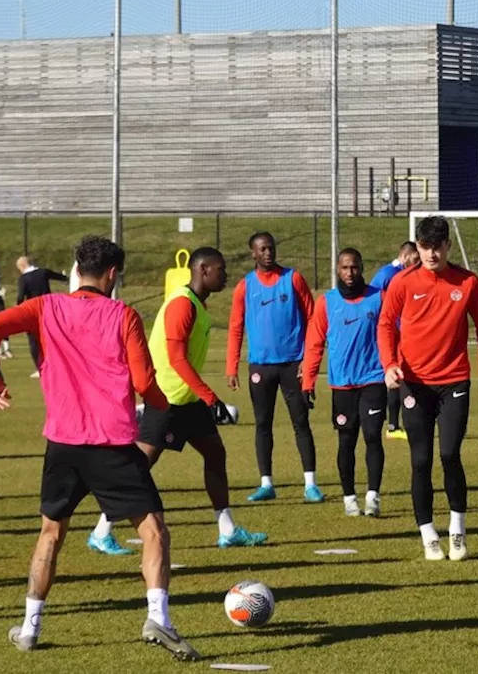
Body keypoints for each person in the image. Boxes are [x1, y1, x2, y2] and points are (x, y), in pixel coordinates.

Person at [0, 236, 200, 659]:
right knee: (153, 530)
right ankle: (159, 618)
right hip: (111, 442)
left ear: (78, 267)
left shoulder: (46, 306)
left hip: (62, 442)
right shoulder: (123, 315)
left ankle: (29, 627)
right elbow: (142, 381)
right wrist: (159, 403)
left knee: (51, 533)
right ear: (113, 274)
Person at [87, 247, 267, 555]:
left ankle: (227, 530)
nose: (225, 275)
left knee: (214, 452)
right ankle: (101, 531)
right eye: (220, 269)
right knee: (140, 465)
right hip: (167, 398)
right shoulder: (182, 305)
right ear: (203, 270)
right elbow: (176, 359)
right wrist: (209, 397)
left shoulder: (196, 303)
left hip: (185, 397)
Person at [377, 215, 478, 561]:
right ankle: (428, 533)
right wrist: (389, 365)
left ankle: (457, 530)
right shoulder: (402, 283)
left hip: (455, 381)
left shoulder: (468, 282)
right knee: (421, 460)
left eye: (436, 247)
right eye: (424, 247)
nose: (430, 254)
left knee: (449, 454)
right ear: (418, 247)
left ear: (447, 246)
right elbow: (385, 324)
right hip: (414, 384)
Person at [226, 232, 321, 503]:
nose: (268, 253)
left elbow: (313, 318)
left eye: (271, 248)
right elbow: (235, 327)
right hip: (261, 366)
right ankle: (266, 483)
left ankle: (310, 484)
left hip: (293, 364)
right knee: (262, 424)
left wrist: (309, 359)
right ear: (253, 254)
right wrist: (231, 366)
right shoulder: (245, 286)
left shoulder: (293, 279)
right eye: (263, 249)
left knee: (301, 422)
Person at [302, 248, 388, 518]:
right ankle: (349, 498)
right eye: (344, 268)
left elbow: (392, 335)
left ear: (361, 267)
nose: (350, 273)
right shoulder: (326, 302)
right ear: (337, 270)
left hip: (373, 379)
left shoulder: (378, 298)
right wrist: (308, 382)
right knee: (346, 441)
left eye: (354, 267)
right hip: (342, 385)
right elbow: (314, 344)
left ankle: (373, 495)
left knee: (373, 435)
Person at [368, 241, 419, 440]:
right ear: (406, 257)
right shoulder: (388, 274)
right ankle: (392, 425)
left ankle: (397, 425)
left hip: (402, 334)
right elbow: (371, 300)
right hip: (389, 335)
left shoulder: (402, 274)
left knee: (401, 376)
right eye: (415, 259)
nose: (418, 264)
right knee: (395, 377)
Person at [16, 255, 69, 378]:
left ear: (22, 266)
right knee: (51, 337)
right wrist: (66, 278)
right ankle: (58, 364)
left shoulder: (24, 279)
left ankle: (40, 368)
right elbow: (60, 277)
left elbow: (20, 297)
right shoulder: (43, 272)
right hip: (49, 309)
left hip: (34, 311)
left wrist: (20, 309)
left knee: (34, 341)